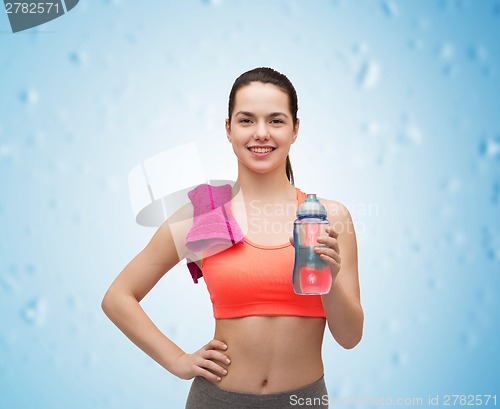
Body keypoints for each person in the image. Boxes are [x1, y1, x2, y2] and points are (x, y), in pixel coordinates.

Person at [101, 67, 363, 408]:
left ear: (295, 129)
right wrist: (178, 360)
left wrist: (330, 277)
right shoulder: (203, 215)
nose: (261, 133)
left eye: (276, 120)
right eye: (246, 120)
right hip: (216, 400)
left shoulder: (328, 217)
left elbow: (349, 337)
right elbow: (118, 296)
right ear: (228, 129)